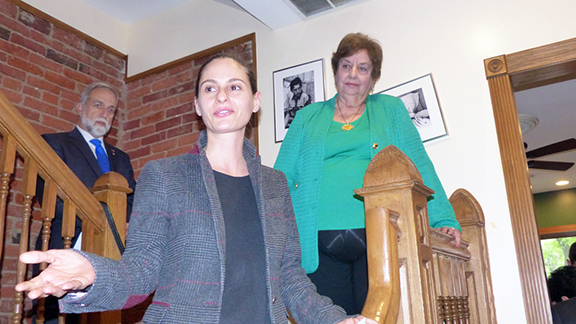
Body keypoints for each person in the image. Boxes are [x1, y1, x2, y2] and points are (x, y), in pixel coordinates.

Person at [17, 54, 377, 324]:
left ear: (254, 101)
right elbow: (141, 271)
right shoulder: (163, 175)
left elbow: (291, 278)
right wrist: (94, 273)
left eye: (234, 86)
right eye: (210, 88)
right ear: (197, 106)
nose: (221, 96)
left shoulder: (276, 184)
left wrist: (336, 319)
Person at [274, 32, 461, 315]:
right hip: (317, 245)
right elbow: (281, 178)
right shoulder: (306, 117)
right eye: (346, 65)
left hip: (380, 240)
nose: (353, 74)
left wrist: (443, 218)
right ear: (335, 71)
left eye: (363, 68)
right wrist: (273, 233)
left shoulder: (391, 110)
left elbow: (419, 166)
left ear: (373, 79)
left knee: (379, 317)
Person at [33, 82, 136, 323]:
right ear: (80, 107)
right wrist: (98, 223)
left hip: (111, 261)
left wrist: (127, 224)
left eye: (111, 109)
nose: (105, 114)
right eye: (98, 105)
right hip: (65, 247)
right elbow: (49, 196)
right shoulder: (54, 143)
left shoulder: (121, 158)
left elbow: (131, 201)